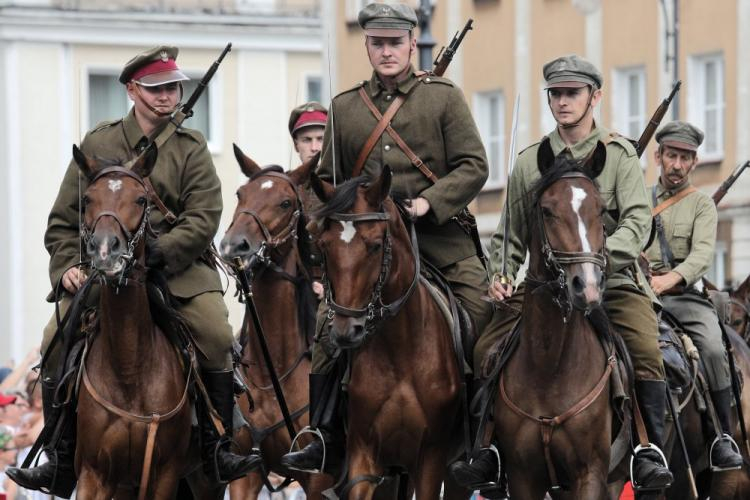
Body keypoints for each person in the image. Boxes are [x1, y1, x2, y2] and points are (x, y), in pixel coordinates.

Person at [7, 45, 259, 497]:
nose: (167, 96)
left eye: (173, 87)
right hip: (101, 269)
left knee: (217, 335)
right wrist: (66, 266)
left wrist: (160, 252)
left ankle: (216, 444)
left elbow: (204, 215)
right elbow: (64, 220)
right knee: (53, 339)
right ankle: (60, 455)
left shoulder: (190, 145)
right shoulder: (98, 144)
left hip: (174, 268)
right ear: (132, 90)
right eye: (157, 88)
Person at [281, 2, 491, 473]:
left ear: (412, 43)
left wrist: (428, 203)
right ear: (368, 46)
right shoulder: (345, 108)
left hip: (438, 238)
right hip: (365, 246)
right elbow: (325, 185)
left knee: (484, 315)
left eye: (396, 43)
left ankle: (482, 442)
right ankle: (322, 434)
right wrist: (329, 232)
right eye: (378, 43)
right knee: (328, 330)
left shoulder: (443, 98)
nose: (387, 51)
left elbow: (474, 165)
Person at [450, 55, 674, 492]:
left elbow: (637, 221)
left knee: (646, 347)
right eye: (556, 93)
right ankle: (488, 448)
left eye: (573, 92)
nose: (563, 101)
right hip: (544, 289)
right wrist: (500, 273)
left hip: (612, 280)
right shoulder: (531, 161)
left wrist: (600, 260)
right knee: (486, 347)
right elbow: (510, 234)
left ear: (596, 96)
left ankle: (649, 450)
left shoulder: (619, 155)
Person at [645, 121, 743, 470]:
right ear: (658, 156)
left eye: (685, 158)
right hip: (639, 295)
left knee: (715, 349)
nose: (677, 165)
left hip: (683, 297)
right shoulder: (638, 200)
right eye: (671, 155)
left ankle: (723, 436)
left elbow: (702, 256)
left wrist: (669, 279)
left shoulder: (702, 204)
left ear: (694, 162)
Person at [288, 102, 328, 299]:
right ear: (296, 144)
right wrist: (305, 281)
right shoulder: (283, 189)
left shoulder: (347, 186)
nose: (314, 148)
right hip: (293, 286)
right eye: (306, 140)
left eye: (321, 139)